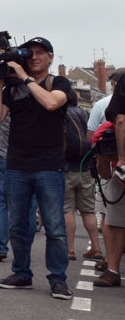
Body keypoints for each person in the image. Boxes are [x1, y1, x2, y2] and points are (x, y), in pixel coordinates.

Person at [0, 36, 73, 300]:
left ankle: (58, 279)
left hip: (48, 166)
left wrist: (25, 77)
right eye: (31, 53)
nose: (35, 57)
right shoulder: (12, 88)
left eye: (40, 53)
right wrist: (1, 83)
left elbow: (51, 103)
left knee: (55, 226)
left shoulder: (58, 83)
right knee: (18, 226)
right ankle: (21, 274)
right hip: (16, 165)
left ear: (50, 57)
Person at [63, 90, 102, 261]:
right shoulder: (85, 114)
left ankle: (70, 249)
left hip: (66, 168)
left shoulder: (61, 114)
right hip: (85, 168)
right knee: (88, 210)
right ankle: (96, 248)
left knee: (67, 210)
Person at [94, 75, 125, 287]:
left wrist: (122, 159)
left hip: (121, 168)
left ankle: (113, 270)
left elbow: (121, 120)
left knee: (115, 221)